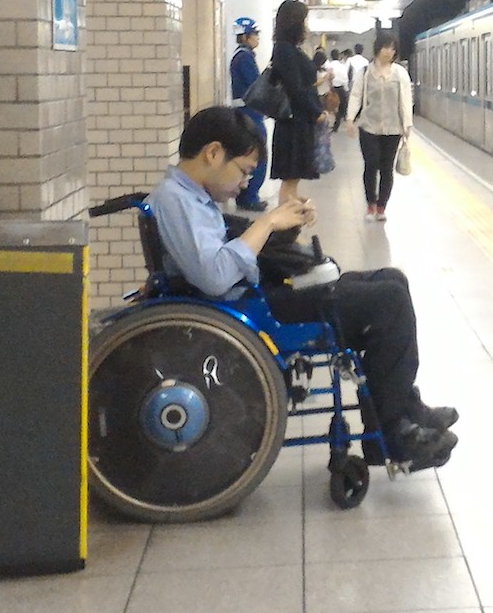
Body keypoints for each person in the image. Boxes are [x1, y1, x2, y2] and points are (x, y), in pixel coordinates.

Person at [151, 107, 459, 467]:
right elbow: (215, 276)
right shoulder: (176, 200)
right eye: (244, 172)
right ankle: (394, 433)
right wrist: (267, 223)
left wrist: (282, 224)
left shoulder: (187, 196)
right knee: (387, 300)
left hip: (250, 299)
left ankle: (405, 407)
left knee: (392, 279)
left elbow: (223, 250)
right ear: (214, 153)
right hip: (249, 310)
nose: (245, 183)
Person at [347, 34, 415, 221]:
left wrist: (407, 124)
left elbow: (406, 99)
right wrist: (350, 119)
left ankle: (381, 207)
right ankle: (370, 205)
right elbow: (356, 95)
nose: (389, 51)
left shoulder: (400, 73)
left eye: (393, 48)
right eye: (386, 47)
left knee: (387, 167)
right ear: (378, 48)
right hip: (369, 126)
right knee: (371, 164)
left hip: (393, 128)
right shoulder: (365, 73)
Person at [267, 0, 328, 204]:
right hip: (294, 125)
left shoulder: (288, 49)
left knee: (292, 182)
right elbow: (296, 89)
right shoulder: (285, 50)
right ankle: (286, 230)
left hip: (296, 123)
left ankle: (291, 227)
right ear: (295, 22)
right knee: (290, 181)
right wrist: (315, 111)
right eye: (305, 20)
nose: (307, 26)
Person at [227, 17, 269, 211]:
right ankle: (249, 196)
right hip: (250, 112)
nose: (257, 38)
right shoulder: (244, 57)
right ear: (245, 36)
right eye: (255, 34)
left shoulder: (240, 56)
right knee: (257, 154)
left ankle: (246, 194)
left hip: (245, 111)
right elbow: (256, 85)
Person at [328, 48, 352, 129]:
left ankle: (327, 124)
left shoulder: (329, 65)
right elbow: (345, 79)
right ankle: (337, 123)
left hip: (331, 89)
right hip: (341, 88)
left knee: (329, 107)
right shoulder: (343, 66)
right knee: (341, 106)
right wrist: (346, 89)